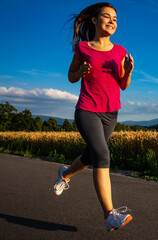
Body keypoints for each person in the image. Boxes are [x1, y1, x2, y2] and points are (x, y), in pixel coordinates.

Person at [53, 2, 134, 231]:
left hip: (111, 113)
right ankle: (110, 215)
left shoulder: (119, 51)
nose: (112, 22)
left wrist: (127, 72)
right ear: (94, 20)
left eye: (115, 19)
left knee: (90, 156)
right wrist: (81, 72)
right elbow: (71, 76)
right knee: (102, 155)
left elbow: (123, 85)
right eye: (107, 17)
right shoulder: (83, 48)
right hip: (87, 110)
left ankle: (65, 175)